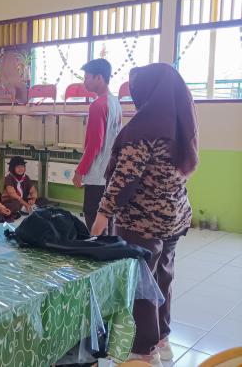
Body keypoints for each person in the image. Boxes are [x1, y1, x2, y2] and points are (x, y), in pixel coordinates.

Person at [91, 63, 198, 366]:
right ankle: (162, 340)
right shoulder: (180, 123)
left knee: (140, 284)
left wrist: (102, 215)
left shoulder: (144, 129)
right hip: (174, 218)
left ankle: (143, 351)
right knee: (163, 277)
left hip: (143, 222)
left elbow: (124, 178)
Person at [73, 58, 122, 228]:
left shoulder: (97, 105)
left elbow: (95, 144)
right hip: (111, 171)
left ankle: (97, 244)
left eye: (87, 77)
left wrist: (80, 171)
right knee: (108, 217)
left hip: (98, 173)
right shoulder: (115, 102)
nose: (84, 82)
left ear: (99, 78)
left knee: (93, 216)